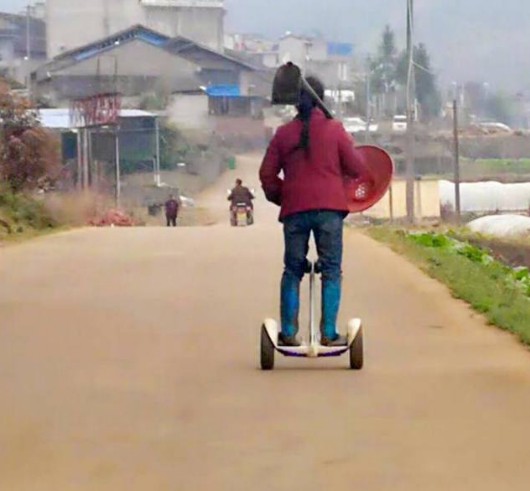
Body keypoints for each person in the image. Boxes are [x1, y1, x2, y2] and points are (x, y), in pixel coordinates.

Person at [259, 76, 372, 347]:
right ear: (322, 99)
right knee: (331, 270)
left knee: (292, 269)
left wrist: (283, 196)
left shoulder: (283, 134)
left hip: (295, 211)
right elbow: (358, 169)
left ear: (296, 104)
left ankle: (288, 332)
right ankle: (329, 333)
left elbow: (267, 175)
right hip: (330, 211)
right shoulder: (336, 131)